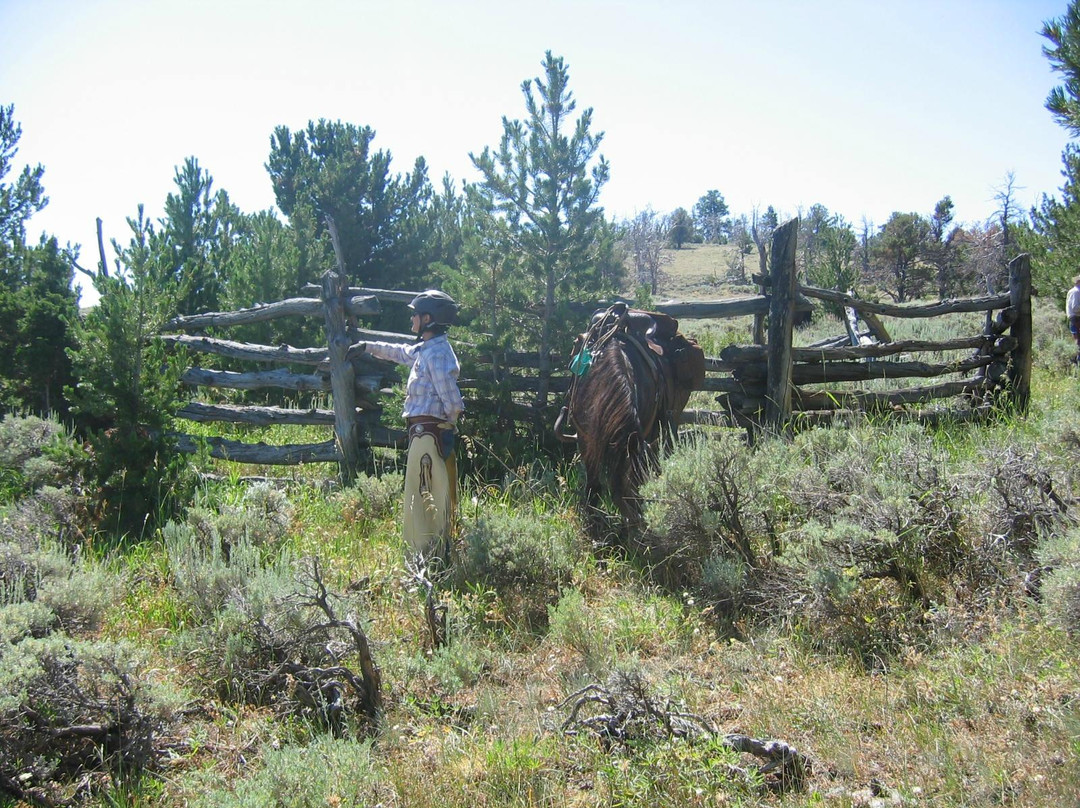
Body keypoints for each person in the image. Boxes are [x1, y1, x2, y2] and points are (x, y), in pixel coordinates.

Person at [358, 290, 464, 565]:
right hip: (425, 433)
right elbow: (399, 352)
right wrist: (366, 346)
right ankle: (427, 555)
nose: (412, 319)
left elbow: (452, 401)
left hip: (430, 433)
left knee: (428, 493)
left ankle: (432, 555)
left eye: (415, 314)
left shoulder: (437, 353)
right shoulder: (426, 349)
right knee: (423, 492)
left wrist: (447, 425)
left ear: (428, 319)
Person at [1068, 275, 1080, 364]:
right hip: (1076, 318)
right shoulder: (1076, 292)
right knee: (1078, 341)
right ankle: (1075, 362)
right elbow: (1075, 307)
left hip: (1075, 318)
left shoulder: (1075, 291)